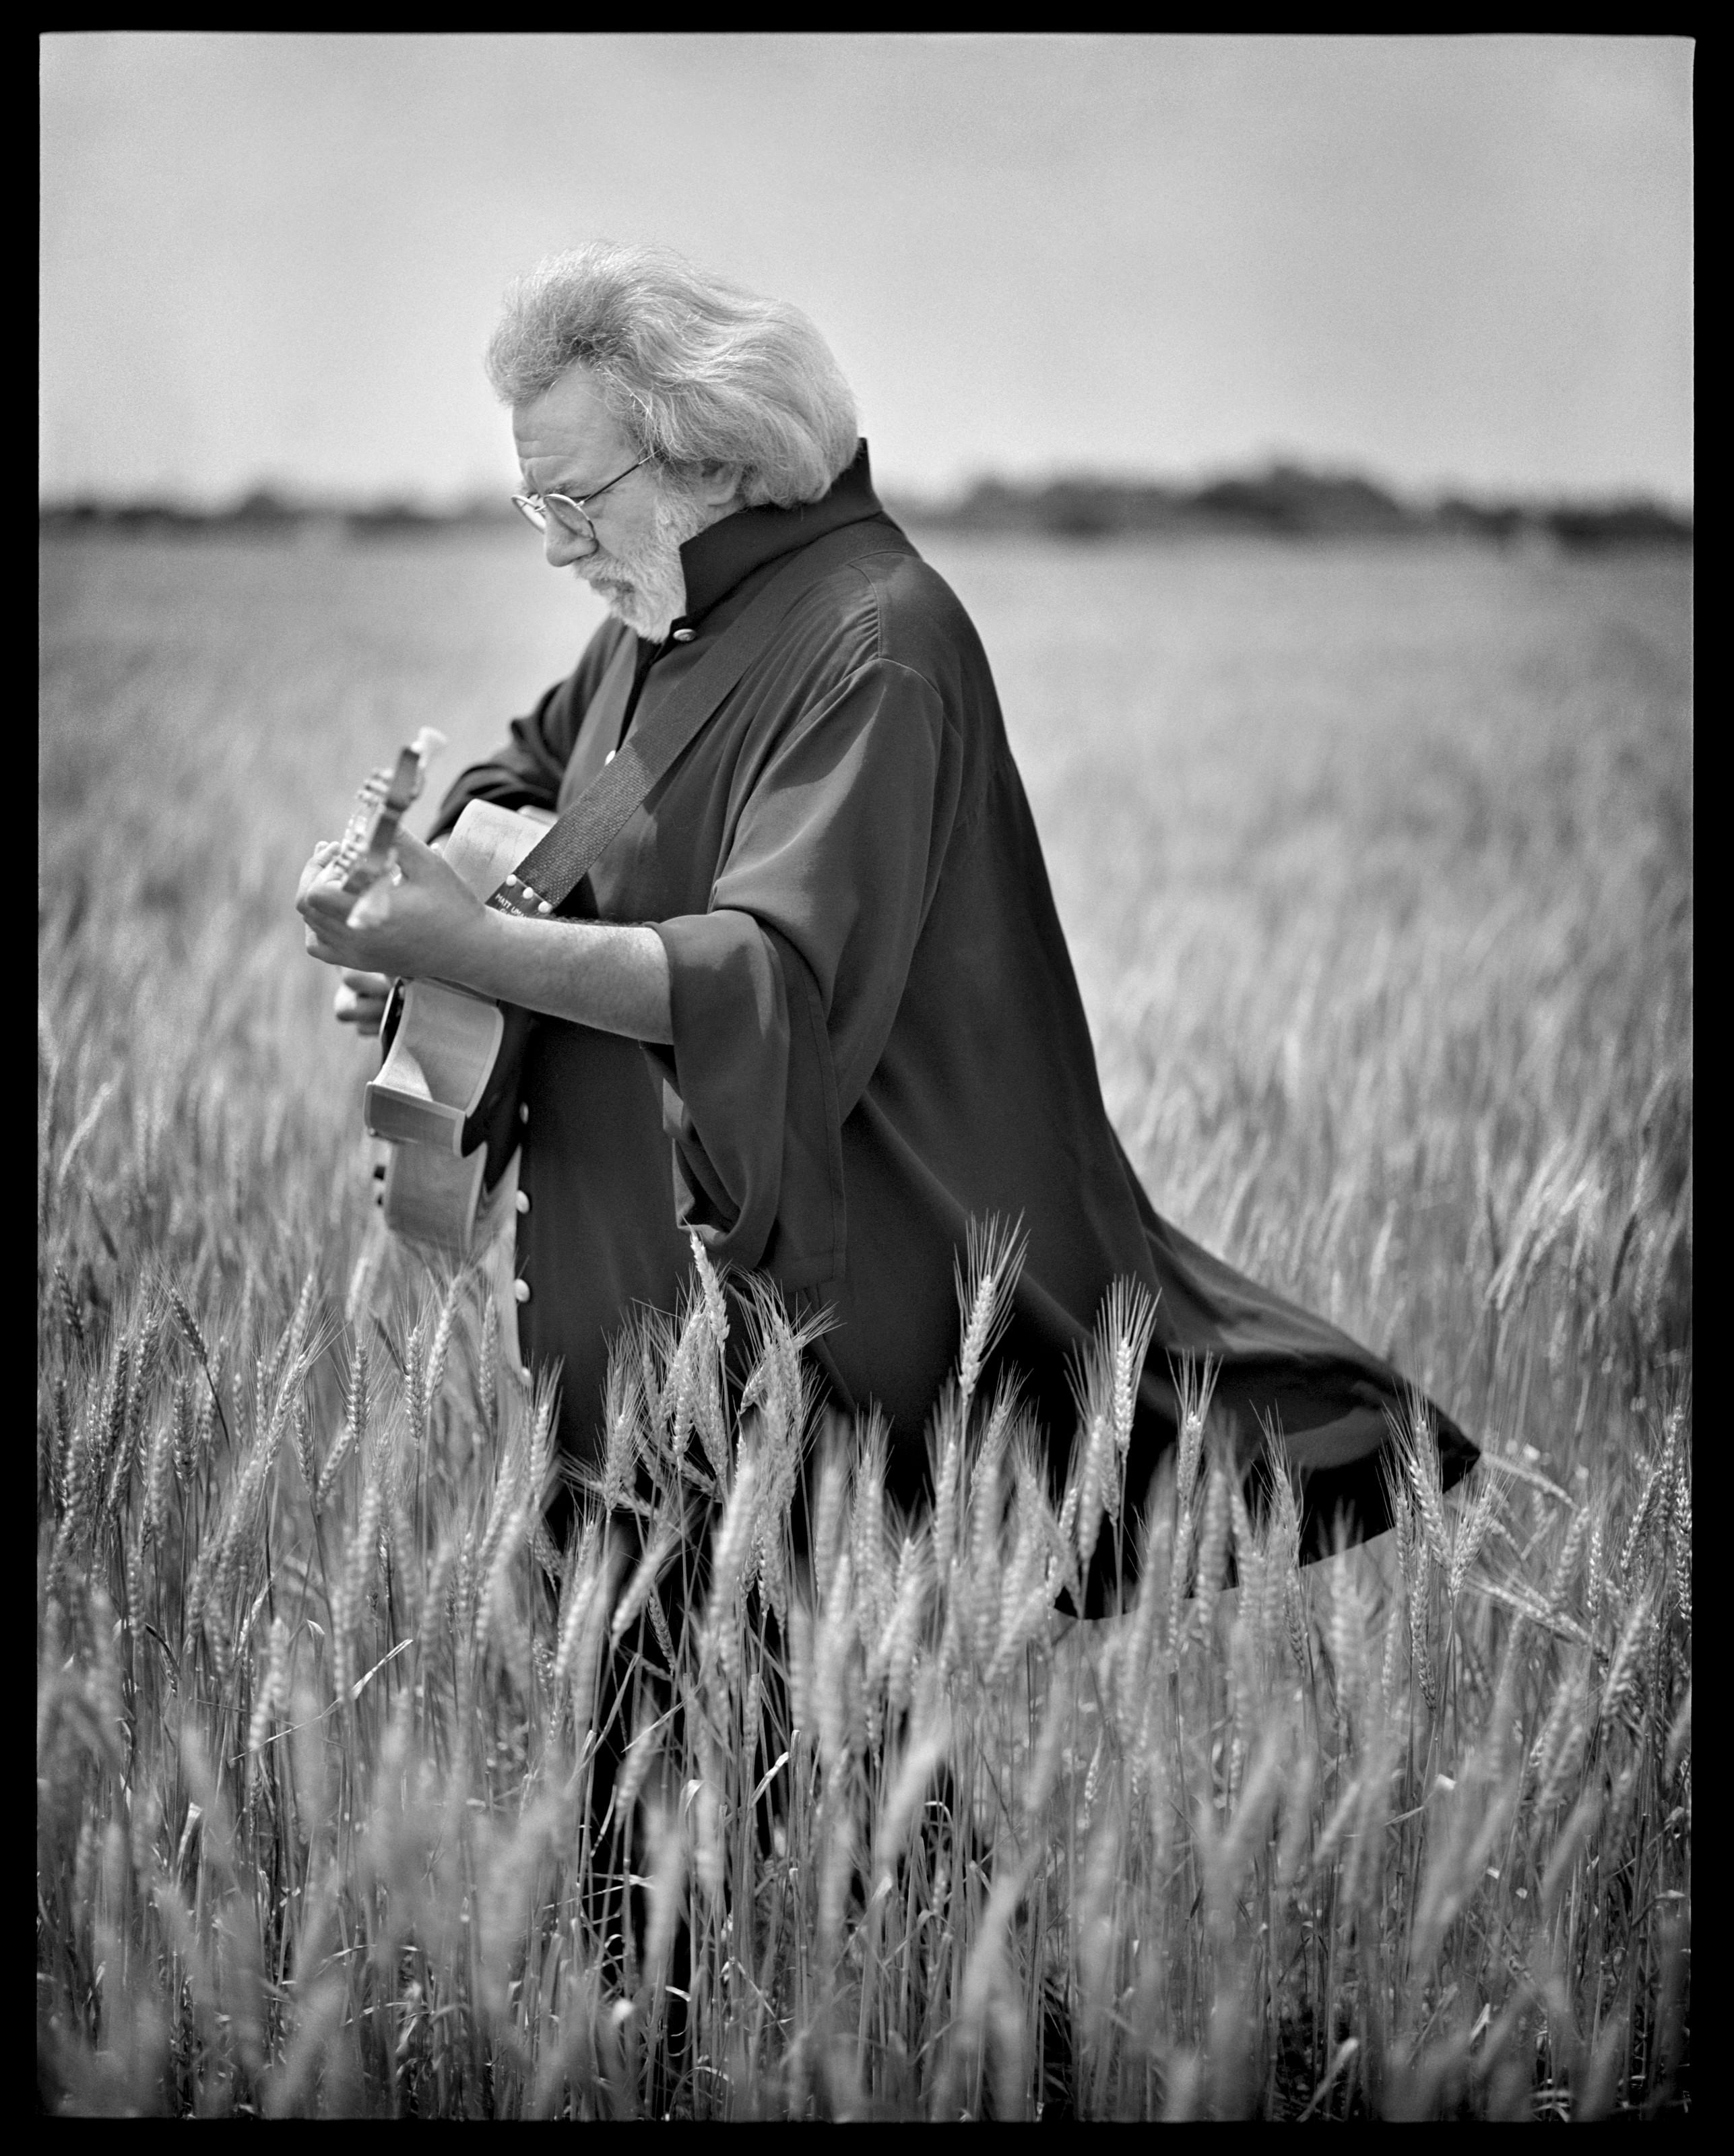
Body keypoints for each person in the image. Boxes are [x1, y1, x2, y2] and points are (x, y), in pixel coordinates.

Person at [297, 242, 1474, 1589]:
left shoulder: (876, 641)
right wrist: (418, 919)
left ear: (719, 461)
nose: (555, 539)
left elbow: (773, 984)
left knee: (835, 1785)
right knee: (659, 1791)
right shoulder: (664, 622)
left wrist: (469, 946)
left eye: (579, 497)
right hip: (621, 1375)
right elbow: (548, 790)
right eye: (531, 500)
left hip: (804, 1393)